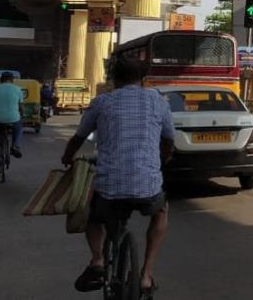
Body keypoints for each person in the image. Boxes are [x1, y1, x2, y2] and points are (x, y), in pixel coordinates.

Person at [61, 58, 174, 296]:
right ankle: (146, 274)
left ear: (114, 79)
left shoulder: (102, 102)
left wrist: (67, 158)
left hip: (109, 188)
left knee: (91, 214)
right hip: (148, 186)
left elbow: (79, 137)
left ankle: (98, 261)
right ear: (142, 79)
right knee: (161, 211)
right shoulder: (157, 101)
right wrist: (161, 162)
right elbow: (168, 141)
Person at [0, 72, 24, 172]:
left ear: (1, 80)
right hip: (13, 119)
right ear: (12, 80)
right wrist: (22, 115)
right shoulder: (18, 89)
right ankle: (15, 146)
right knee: (19, 127)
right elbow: (21, 107)